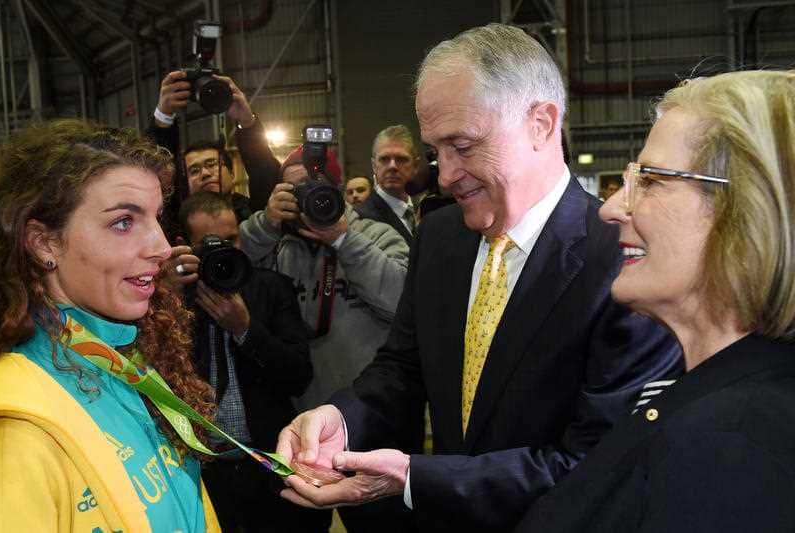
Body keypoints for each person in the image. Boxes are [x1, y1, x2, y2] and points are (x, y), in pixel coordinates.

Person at [274, 23, 682, 532]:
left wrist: (415, 479)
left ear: (541, 123)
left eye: (463, 146)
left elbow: (596, 462)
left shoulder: (623, 262)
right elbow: (402, 368)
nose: (444, 174)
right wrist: (340, 417)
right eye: (436, 150)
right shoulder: (441, 236)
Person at [515, 70, 795, 532]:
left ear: (747, 208)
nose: (610, 208)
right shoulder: (702, 394)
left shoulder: (737, 440)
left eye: (650, 180)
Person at [0, 120, 220, 532]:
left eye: (156, 218)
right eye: (123, 222)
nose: (162, 247)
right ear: (44, 243)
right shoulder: (16, 431)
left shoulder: (121, 358)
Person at [240, 145, 423, 531]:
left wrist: (343, 239)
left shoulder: (376, 233)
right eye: (294, 193)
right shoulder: (279, 246)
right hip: (301, 427)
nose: (306, 201)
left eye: (314, 190)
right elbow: (236, 276)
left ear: (336, 190)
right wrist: (266, 225)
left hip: (374, 417)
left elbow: (403, 302)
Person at [172, 191, 331, 532]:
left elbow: (298, 376)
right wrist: (166, 295)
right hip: (204, 473)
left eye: (230, 239)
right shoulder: (173, 298)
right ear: (186, 245)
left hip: (271, 464)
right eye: (210, 243)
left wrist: (245, 329)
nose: (223, 252)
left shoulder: (271, 289)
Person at [149, 70, 281, 237]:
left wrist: (246, 121)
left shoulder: (256, 216)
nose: (204, 174)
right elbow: (156, 173)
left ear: (232, 173)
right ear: (185, 184)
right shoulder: (177, 226)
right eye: (194, 171)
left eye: (212, 164)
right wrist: (163, 117)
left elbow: (265, 173)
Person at [354, 124, 420, 245]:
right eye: (384, 159)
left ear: (415, 166)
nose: (392, 166)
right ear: (374, 166)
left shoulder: (425, 211)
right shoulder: (361, 218)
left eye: (401, 159)